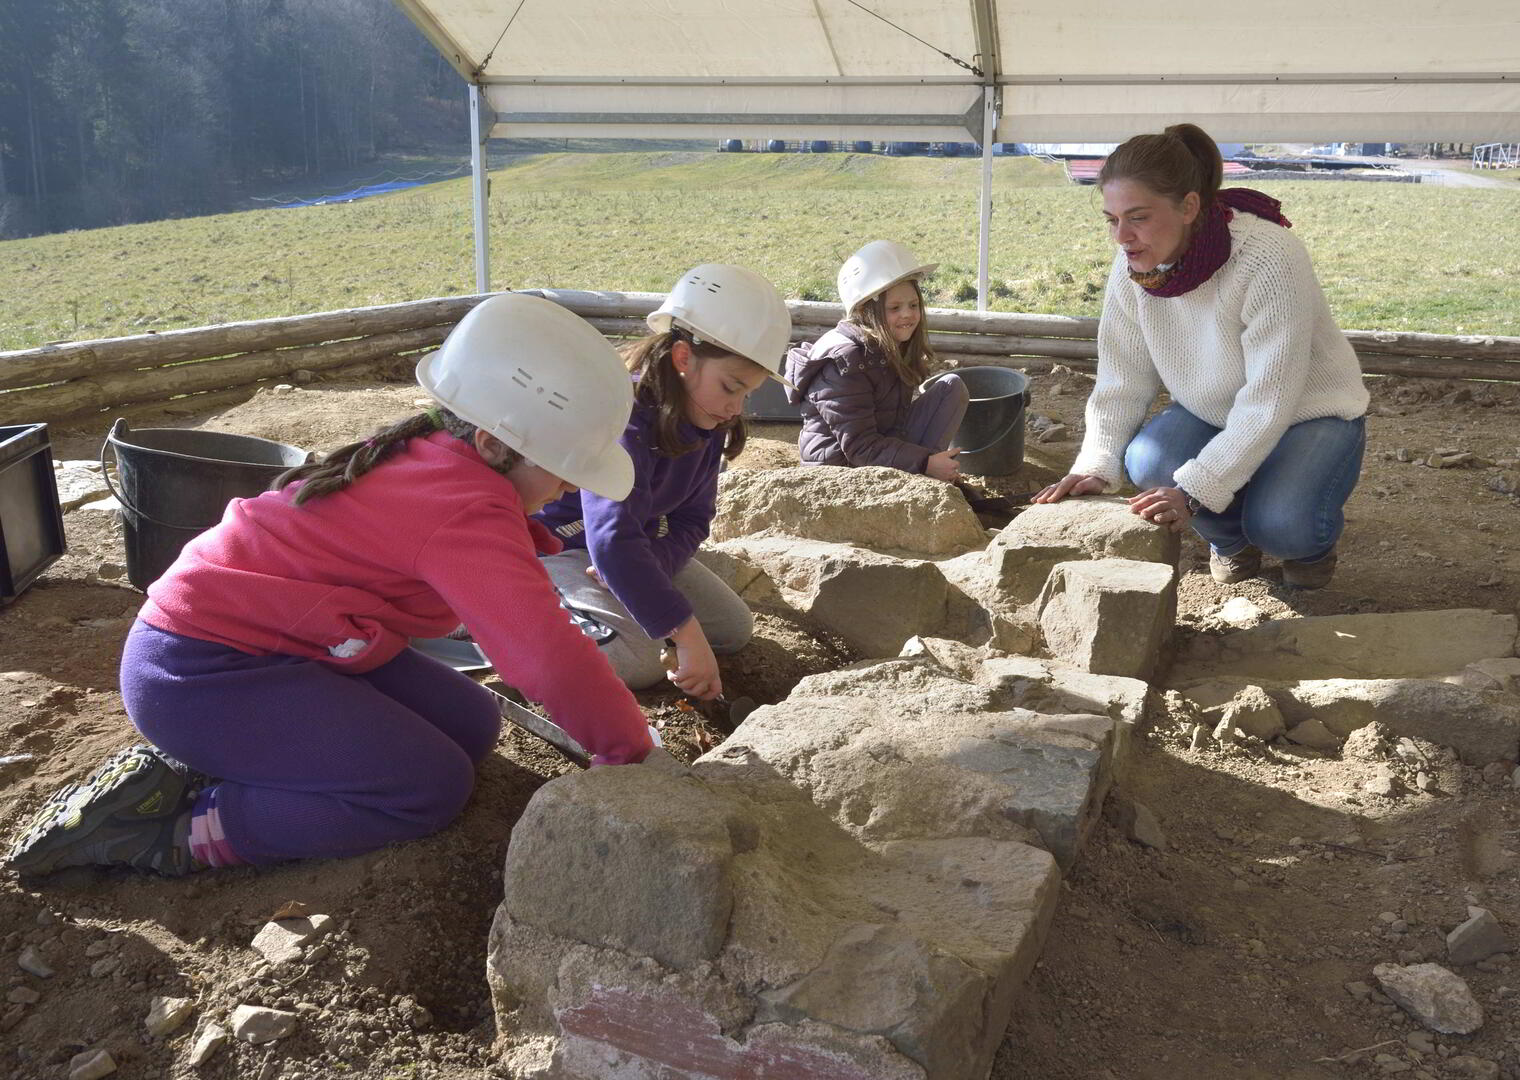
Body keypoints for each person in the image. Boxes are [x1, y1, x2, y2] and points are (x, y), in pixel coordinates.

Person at [7, 294, 657, 878]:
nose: (571, 486)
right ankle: (180, 827)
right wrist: (629, 751)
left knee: (473, 721)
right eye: (562, 466)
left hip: (281, 648)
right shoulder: (466, 504)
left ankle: (243, 758)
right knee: (426, 787)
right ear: (493, 442)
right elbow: (543, 653)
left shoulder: (437, 452)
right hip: (200, 672)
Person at [1034, 124, 1368, 589]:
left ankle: (1308, 546)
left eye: (1138, 217)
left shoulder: (1268, 256)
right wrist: (1095, 463)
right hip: (1215, 410)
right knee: (1148, 464)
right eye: (1111, 219)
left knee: (1283, 525)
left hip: (1309, 412)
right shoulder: (1134, 266)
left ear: (1189, 207)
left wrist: (1194, 491)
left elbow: (1270, 400)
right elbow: (1122, 380)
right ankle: (1232, 541)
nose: (1122, 237)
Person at [535, 264, 791, 701]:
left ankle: (625, 602)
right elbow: (611, 538)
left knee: (731, 627)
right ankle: (504, 625)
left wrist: (651, 561)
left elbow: (693, 519)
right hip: (558, 546)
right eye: (730, 387)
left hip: (628, 549)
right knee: (635, 656)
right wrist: (683, 632)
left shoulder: (708, 420)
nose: (735, 407)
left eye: (746, 394)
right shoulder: (624, 416)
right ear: (683, 359)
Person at [785, 240, 969, 482]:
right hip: (840, 473)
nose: (908, 314)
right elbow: (859, 447)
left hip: (879, 449)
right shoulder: (843, 363)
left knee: (951, 388)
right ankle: (926, 482)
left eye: (913, 305)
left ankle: (926, 485)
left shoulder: (890, 344)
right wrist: (925, 462)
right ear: (865, 311)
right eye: (894, 307)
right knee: (926, 463)